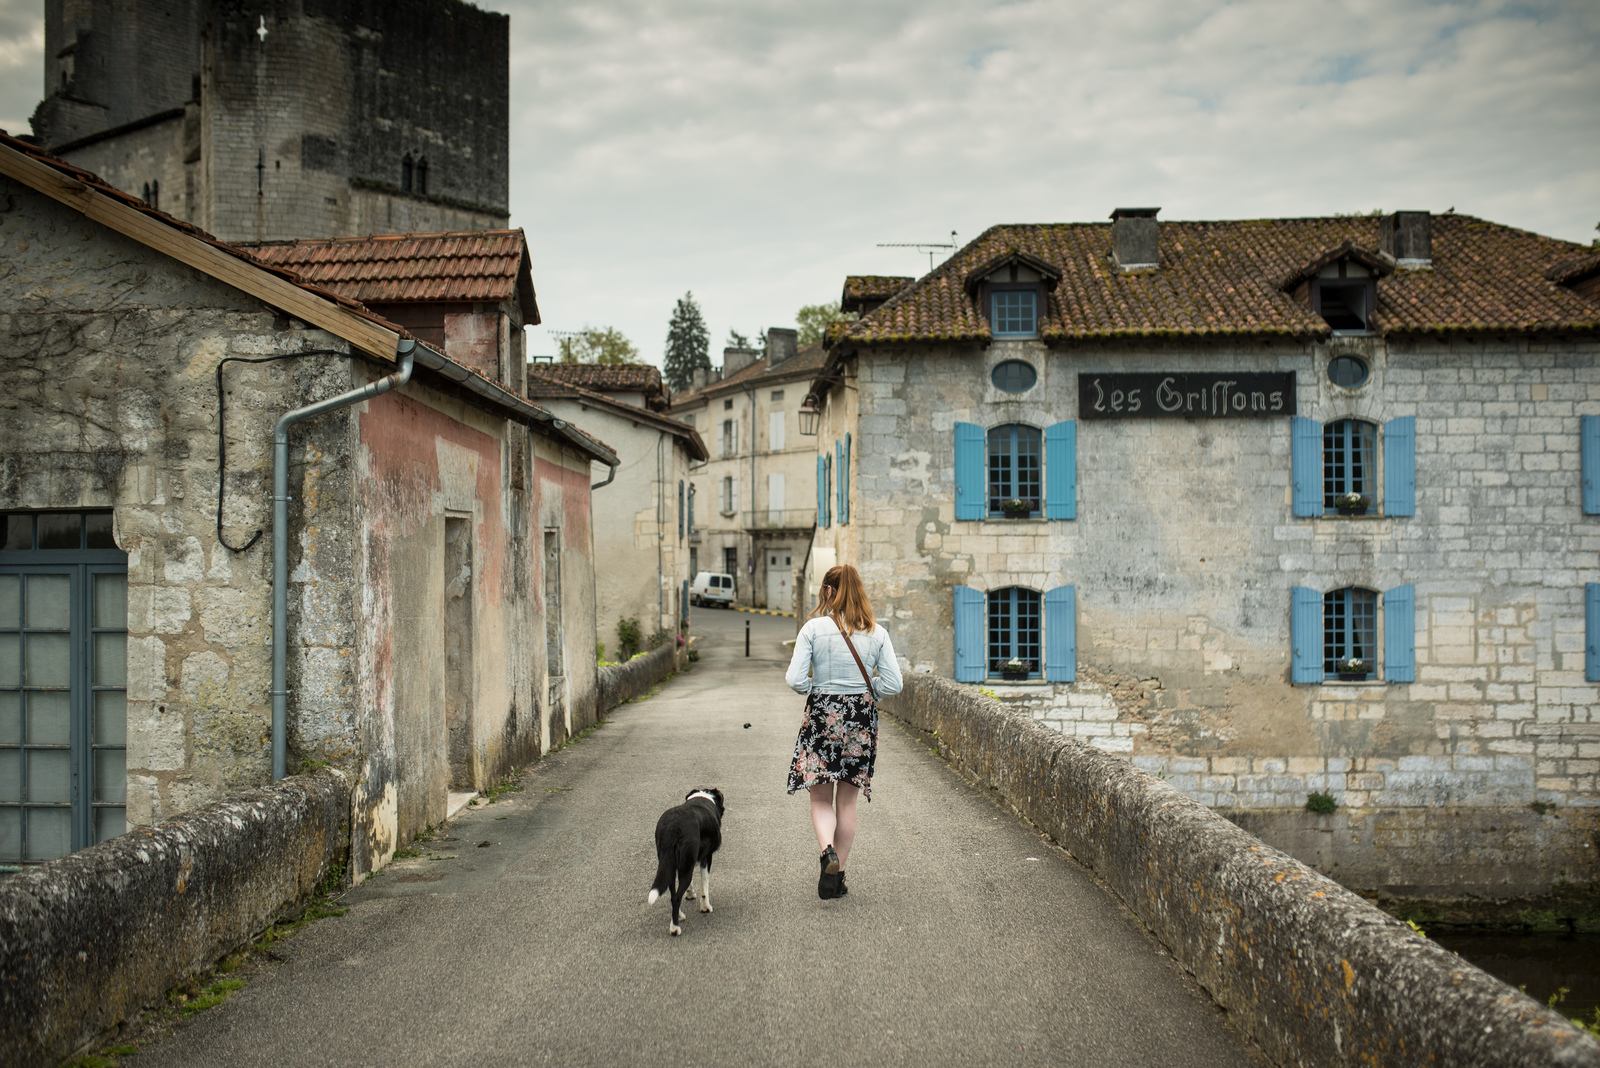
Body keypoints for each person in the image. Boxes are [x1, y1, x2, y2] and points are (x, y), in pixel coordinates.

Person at [784, 563, 903, 899]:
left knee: (820, 797)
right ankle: (838, 878)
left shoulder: (813, 628)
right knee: (847, 803)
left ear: (828, 591)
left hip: (822, 715)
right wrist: (871, 690)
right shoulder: (877, 633)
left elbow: (794, 679)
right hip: (859, 719)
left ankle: (827, 853)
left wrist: (815, 686)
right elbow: (895, 683)